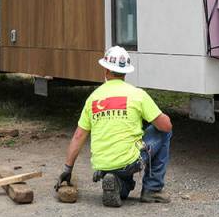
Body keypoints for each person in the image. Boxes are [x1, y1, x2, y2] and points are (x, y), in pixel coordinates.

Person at [55, 46, 173, 207]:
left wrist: (67, 169)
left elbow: (78, 136)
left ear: (105, 69)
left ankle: (116, 182)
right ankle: (152, 189)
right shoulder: (137, 94)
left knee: (122, 190)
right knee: (163, 132)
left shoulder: (93, 98)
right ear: (126, 72)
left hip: (102, 164)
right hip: (128, 161)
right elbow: (166, 126)